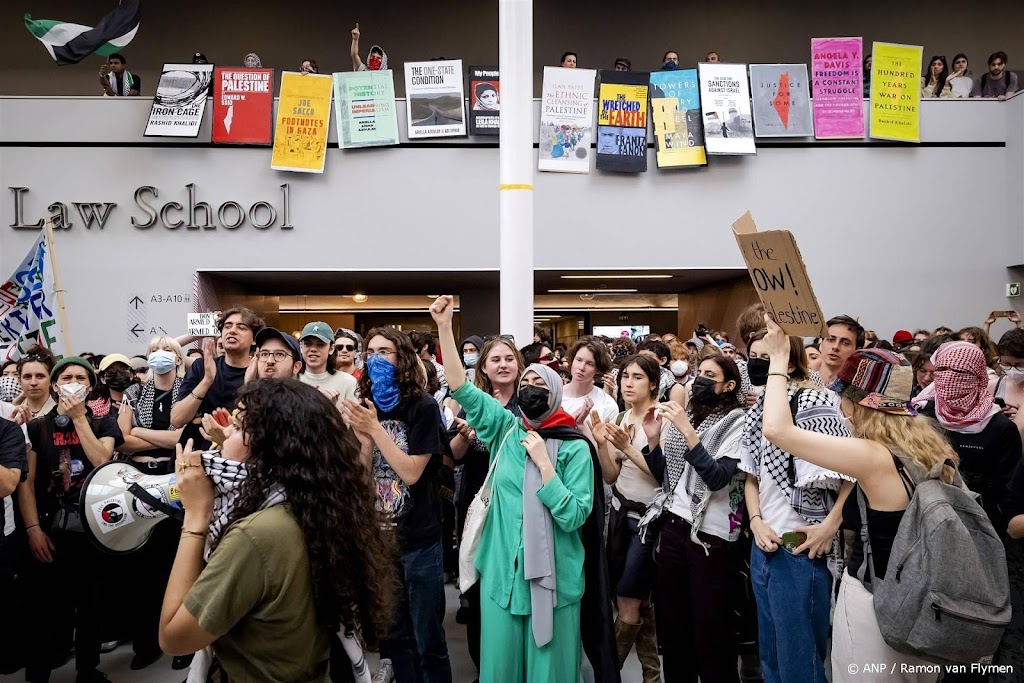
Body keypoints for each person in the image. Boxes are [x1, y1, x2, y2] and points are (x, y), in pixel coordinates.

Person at [158, 379, 398, 683]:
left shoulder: (255, 535)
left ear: (269, 446)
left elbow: (174, 637)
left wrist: (195, 517)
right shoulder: (316, 505)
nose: (226, 433)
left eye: (237, 426)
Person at [759, 316, 958, 683]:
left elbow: (776, 430)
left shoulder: (873, 455)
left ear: (858, 403)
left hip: (876, 601)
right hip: (924, 600)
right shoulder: (928, 444)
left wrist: (777, 358)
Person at [429, 295, 597, 683]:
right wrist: (443, 327)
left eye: (541, 383)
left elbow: (573, 515)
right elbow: (460, 386)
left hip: (554, 582)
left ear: (555, 392)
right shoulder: (506, 430)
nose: (531, 389)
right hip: (503, 574)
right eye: (527, 383)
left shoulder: (573, 447)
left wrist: (544, 464)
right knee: (500, 671)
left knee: (548, 674)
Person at [740, 330, 853, 683]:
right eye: (753, 356)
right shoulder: (758, 408)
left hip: (801, 545)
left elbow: (852, 470)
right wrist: (755, 520)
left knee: (799, 661)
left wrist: (831, 524)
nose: (757, 362)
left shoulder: (814, 401)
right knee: (771, 654)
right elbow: (752, 475)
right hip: (764, 542)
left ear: (789, 361)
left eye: (767, 354)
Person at [340, 327, 452, 683]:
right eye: (370, 352)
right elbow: (360, 477)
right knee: (394, 636)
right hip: (380, 540)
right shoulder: (365, 407)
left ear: (402, 358)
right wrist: (364, 441)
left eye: (385, 351)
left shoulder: (423, 407)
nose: (376, 359)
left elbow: (412, 472)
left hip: (418, 539)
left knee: (427, 638)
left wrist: (375, 431)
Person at [912, 340, 1024, 679]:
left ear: (977, 375)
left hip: (980, 534)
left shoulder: (999, 427)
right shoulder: (924, 415)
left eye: (958, 372)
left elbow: (1009, 491)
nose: (948, 379)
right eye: (941, 371)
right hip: (928, 528)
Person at [638, 355, 747, 683]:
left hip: (709, 537)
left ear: (728, 385)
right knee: (672, 628)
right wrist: (654, 438)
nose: (700, 379)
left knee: (709, 632)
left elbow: (717, 478)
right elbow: (666, 476)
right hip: (673, 526)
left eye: (709, 375)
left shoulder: (736, 420)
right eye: (700, 373)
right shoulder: (696, 416)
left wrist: (685, 430)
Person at [19, 356, 124, 683]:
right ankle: (38, 672)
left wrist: (80, 418)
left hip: (93, 528)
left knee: (91, 602)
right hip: (49, 527)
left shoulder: (103, 422)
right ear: (55, 384)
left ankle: (87, 669)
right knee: (44, 607)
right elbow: (26, 481)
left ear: (91, 387)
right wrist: (33, 529)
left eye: (81, 377)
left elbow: (101, 459)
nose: (73, 382)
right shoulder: (37, 427)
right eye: (66, 377)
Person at [447, 336, 525, 673]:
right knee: (478, 587)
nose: (503, 365)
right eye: (495, 360)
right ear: (484, 368)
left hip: (515, 508)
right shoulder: (474, 403)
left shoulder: (529, 403)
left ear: (519, 365)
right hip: (478, 503)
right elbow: (452, 457)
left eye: (509, 358)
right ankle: (486, 668)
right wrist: (465, 437)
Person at [116, 337, 188, 671]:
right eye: (154, 352)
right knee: (143, 567)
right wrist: (163, 441)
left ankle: (182, 642)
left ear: (178, 358)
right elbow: (123, 441)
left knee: (179, 562)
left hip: (178, 483)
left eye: (168, 351)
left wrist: (143, 438)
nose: (161, 357)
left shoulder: (187, 393)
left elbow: (182, 438)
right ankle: (146, 642)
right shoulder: (133, 394)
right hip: (140, 482)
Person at [594, 354, 665, 683]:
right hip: (620, 517)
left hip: (649, 520)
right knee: (636, 600)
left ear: (652, 383)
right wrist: (600, 444)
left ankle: (608, 674)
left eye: (637, 377)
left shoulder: (662, 418)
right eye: (624, 376)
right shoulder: (621, 417)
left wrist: (630, 447)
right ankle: (652, 674)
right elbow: (611, 477)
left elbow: (665, 477)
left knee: (626, 599)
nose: (627, 383)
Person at [171, 307, 264, 450]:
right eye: (227, 326)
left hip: (239, 454)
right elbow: (177, 420)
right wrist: (207, 381)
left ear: (254, 340)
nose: (232, 331)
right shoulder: (202, 366)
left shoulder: (259, 371)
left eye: (241, 327)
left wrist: (249, 385)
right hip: (196, 452)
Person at [563, 337, 619, 443]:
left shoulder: (607, 403)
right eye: (578, 360)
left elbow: (608, 452)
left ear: (597, 369)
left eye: (590, 364)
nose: (581, 367)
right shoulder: (553, 396)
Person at [299, 321, 358, 409]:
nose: (313, 349)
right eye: (308, 344)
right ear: (301, 347)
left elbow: (352, 421)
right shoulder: (292, 380)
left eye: (320, 345)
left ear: (331, 349)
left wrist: (330, 409)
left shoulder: (348, 382)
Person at [819, 315, 864, 387]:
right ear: (821, 344)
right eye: (831, 339)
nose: (835, 347)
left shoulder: (858, 393)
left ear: (857, 351)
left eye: (845, 343)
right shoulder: (799, 382)